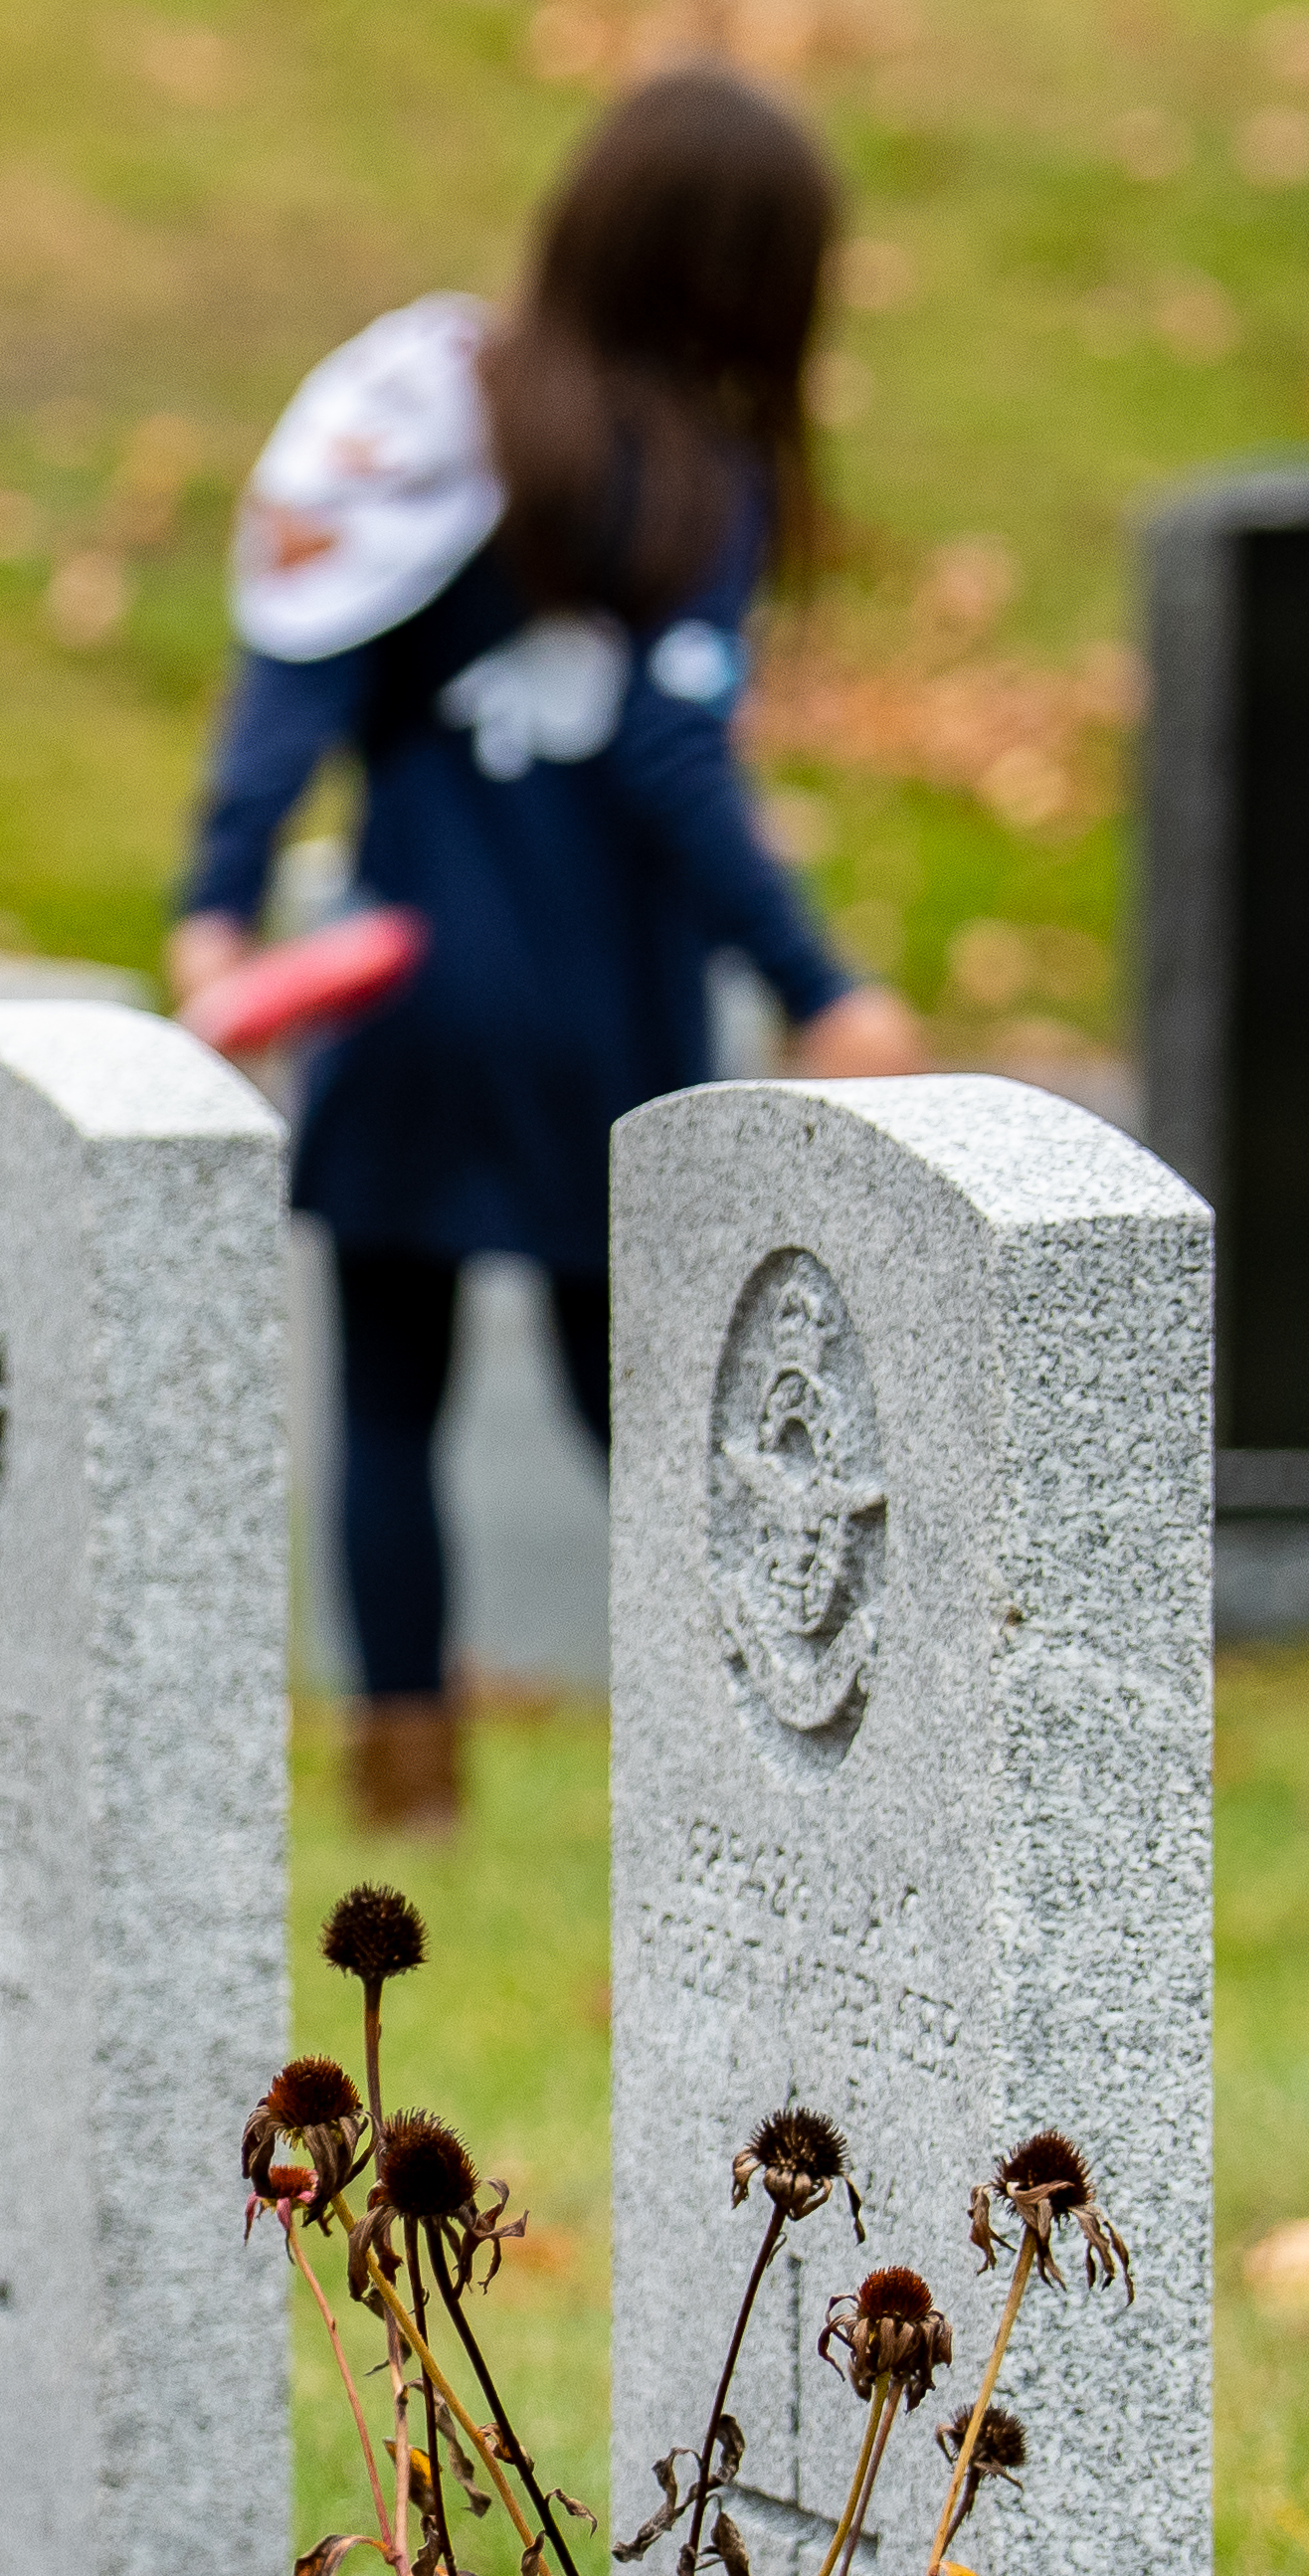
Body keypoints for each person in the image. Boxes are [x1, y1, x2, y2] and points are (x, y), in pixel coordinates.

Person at [163, 66, 928, 1833]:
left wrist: (216, 907)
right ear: (750, 283)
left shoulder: (424, 424)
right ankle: (769, 1732)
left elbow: (293, 682)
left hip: (404, 999)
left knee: (385, 1405)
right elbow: (671, 758)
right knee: (656, 1409)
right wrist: (819, 981)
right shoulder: (692, 476)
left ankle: (405, 1781)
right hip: (599, 1022)